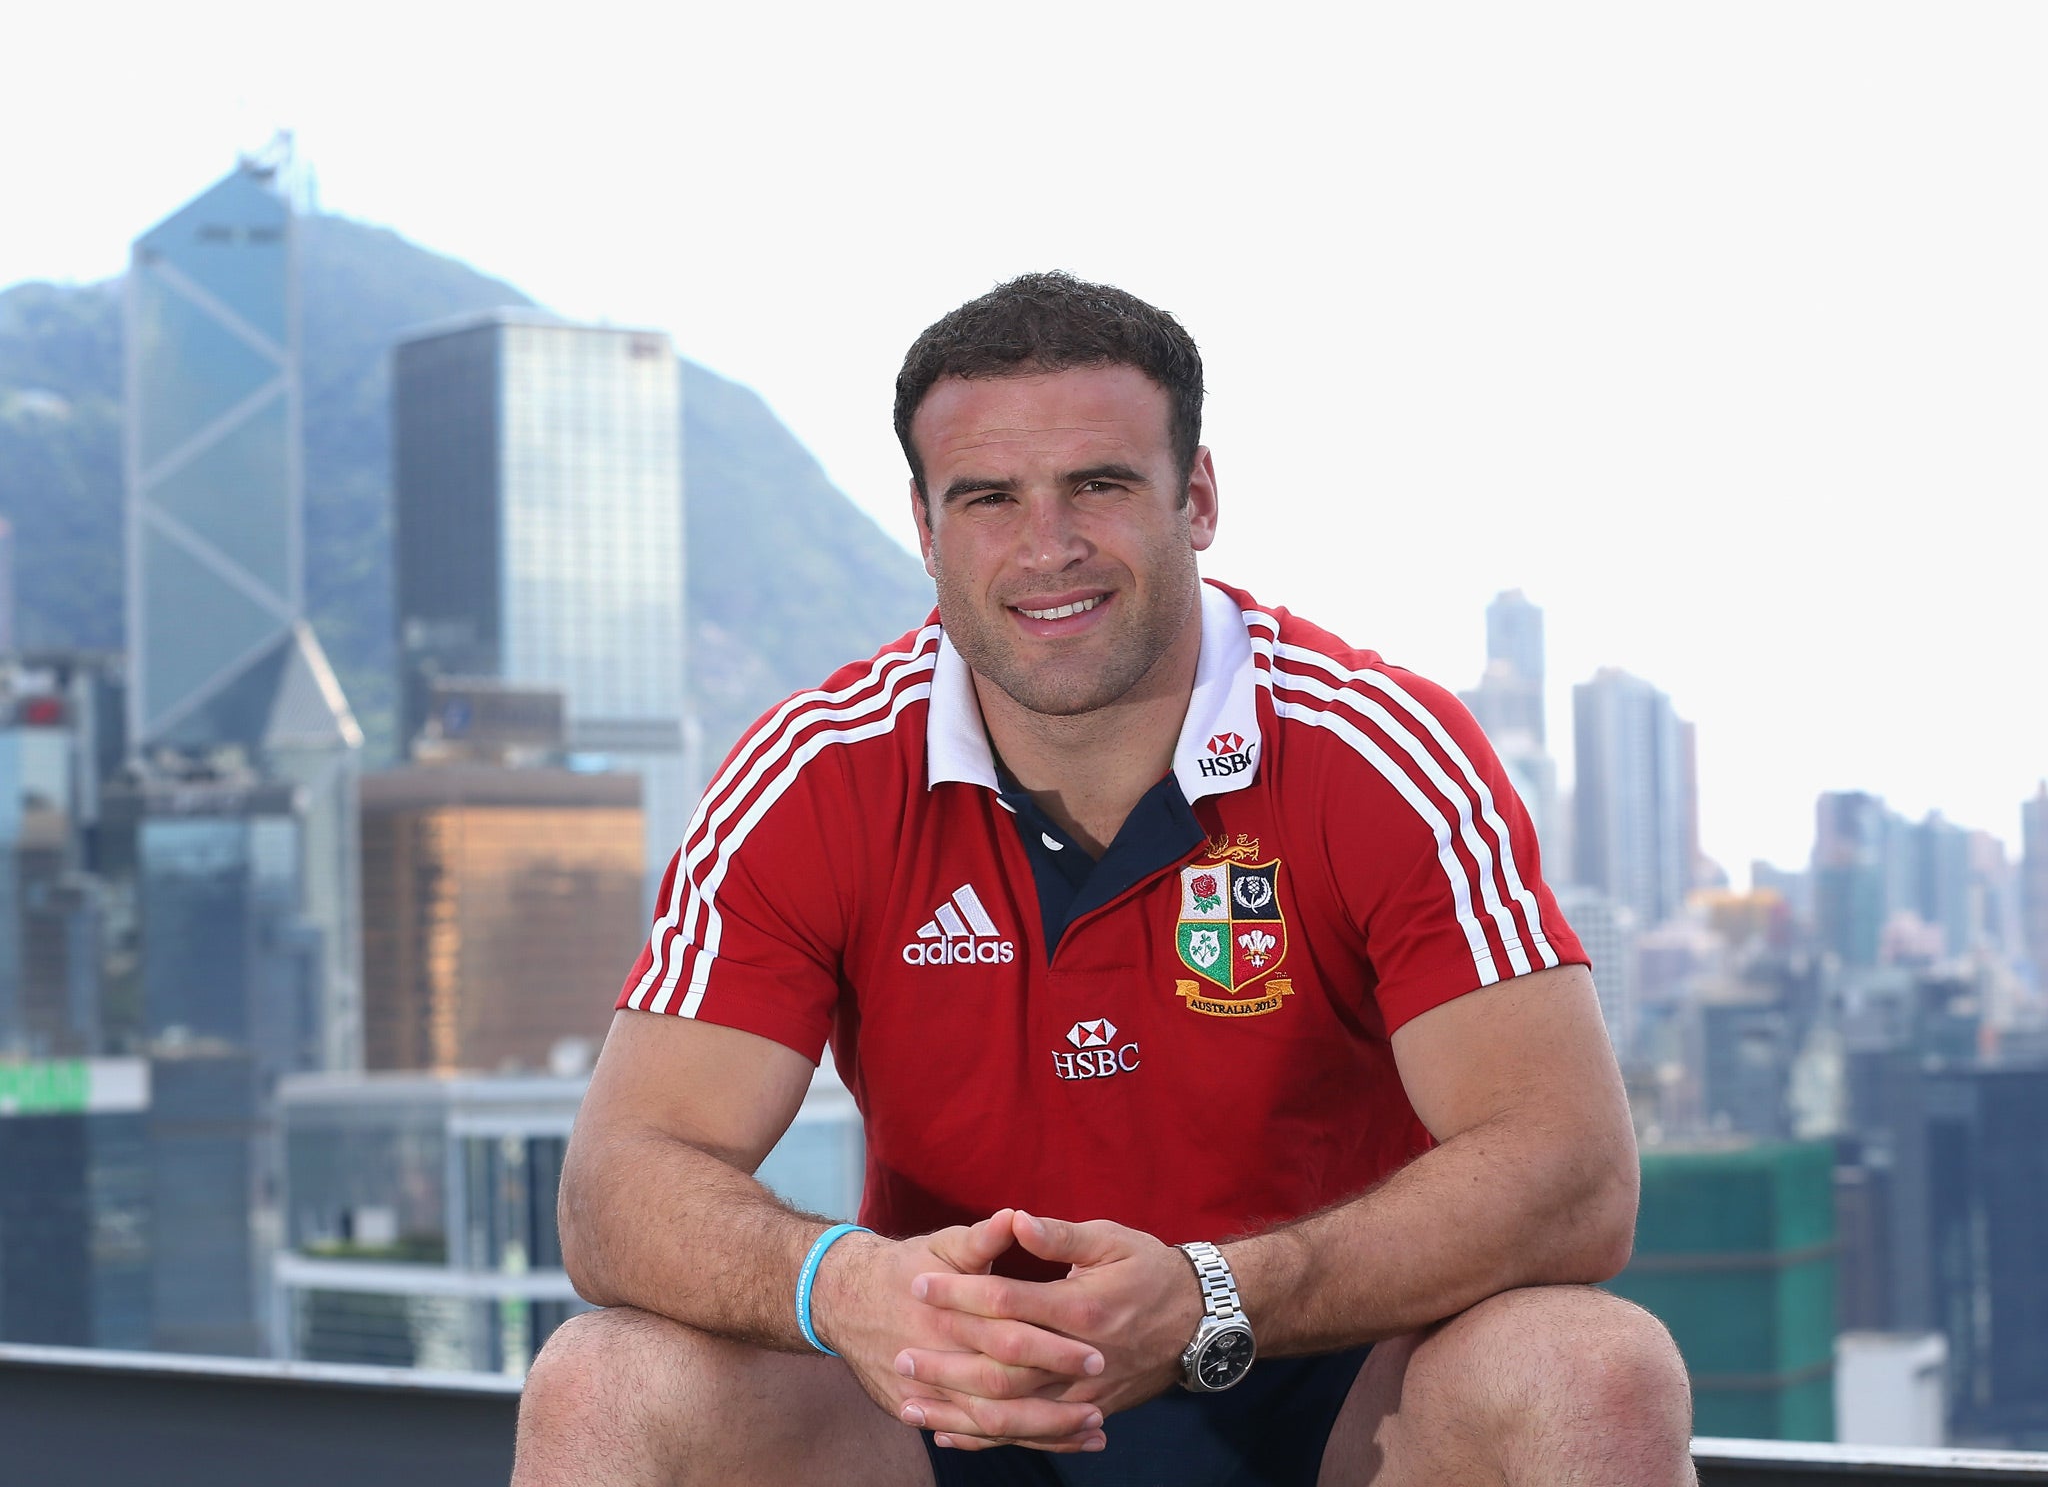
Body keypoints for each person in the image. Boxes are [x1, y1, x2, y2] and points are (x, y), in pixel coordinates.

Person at [512, 273, 1696, 1486]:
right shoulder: (813, 774)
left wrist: (1214, 1297)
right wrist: (851, 1286)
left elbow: (1573, 1174)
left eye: (1099, 483)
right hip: (952, 1408)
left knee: (1590, 1367)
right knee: (603, 1384)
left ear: (1196, 499)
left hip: (1327, 1398)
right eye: (986, 498)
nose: (1048, 546)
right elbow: (616, 1187)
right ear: (922, 529)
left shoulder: (1375, 748)